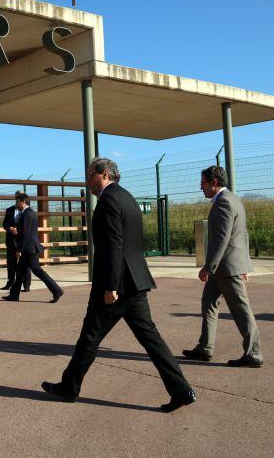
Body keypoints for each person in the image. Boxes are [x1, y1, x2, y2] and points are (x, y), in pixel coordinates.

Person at [41, 158, 196, 413]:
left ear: (102, 174)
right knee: (151, 339)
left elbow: (114, 244)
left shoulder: (109, 200)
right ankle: (181, 390)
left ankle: (70, 387)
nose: (87, 181)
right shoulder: (127, 197)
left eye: (89, 175)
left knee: (90, 337)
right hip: (135, 281)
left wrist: (111, 286)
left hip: (116, 286)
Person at [182, 166, 263, 367]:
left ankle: (254, 354)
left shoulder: (224, 203)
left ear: (214, 182)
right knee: (208, 303)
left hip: (226, 268)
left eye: (203, 183)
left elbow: (221, 239)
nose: (201, 187)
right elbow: (243, 235)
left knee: (241, 310)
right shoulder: (234, 199)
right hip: (225, 268)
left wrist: (209, 267)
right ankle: (205, 348)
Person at [2, 192, 63, 302]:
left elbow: (26, 234)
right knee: (20, 272)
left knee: (38, 271)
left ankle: (57, 290)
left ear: (23, 202)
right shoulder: (28, 213)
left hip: (29, 249)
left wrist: (19, 249)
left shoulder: (27, 214)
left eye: (18, 202)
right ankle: (14, 295)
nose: (16, 204)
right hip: (28, 248)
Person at [0, 191, 31, 292]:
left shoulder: (27, 211)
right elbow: (4, 224)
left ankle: (26, 285)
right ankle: (10, 282)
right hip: (11, 241)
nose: (18, 197)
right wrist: (10, 229)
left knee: (25, 264)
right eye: (17, 196)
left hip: (22, 241)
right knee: (11, 263)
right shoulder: (9, 210)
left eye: (20, 196)